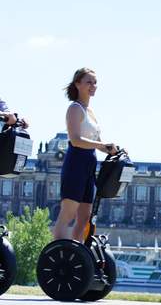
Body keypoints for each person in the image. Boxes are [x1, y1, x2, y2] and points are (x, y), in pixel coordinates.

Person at [53, 68, 117, 242]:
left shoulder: (91, 112)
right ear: (77, 84)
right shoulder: (74, 108)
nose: (93, 86)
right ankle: (57, 252)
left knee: (84, 217)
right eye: (89, 82)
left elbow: (97, 141)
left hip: (89, 163)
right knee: (68, 213)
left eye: (95, 82)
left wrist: (111, 149)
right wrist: (102, 145)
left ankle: (76, 251)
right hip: (76, 162)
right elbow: (75, 140)